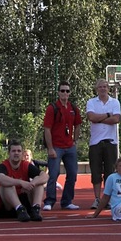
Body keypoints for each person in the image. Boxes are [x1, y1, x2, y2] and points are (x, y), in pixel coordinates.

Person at [42, 82, 82, 212]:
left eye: (67, 91)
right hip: (56, 147)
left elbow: (78, 125)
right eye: (62, 91)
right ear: (58, 92)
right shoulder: (52, 108)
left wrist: (75, 140)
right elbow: (47, 129)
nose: (65, 93)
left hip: (70, 147)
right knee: (53, 174)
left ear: (70, 93)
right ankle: (49, 201)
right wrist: (50, 148)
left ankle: (67, 201)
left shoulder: (74, 108)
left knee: (72, 174)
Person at [85, 79, 121, 210]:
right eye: (100, 87)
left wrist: (99, 119)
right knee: (95, 172)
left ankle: (108, 199)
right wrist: (107, 115)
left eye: (105, 87)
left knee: (110, 172)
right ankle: (96, 198)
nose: (103, 89)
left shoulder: (115, 102)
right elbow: (91, 118)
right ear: (96, 89)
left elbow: (116, 119)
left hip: (111, 142)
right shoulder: (91, 102)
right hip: (95, 142)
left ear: (108, 88)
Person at [0, 141, 47, 223]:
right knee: (7, 183)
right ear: (9, 153)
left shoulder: (25, 165)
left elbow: (45, 176)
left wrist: (32, 184)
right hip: (6, 208)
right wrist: (21, 182)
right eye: (13, 151)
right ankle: (19, 208)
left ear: (22, 153)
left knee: (38, 180)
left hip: (24, 203)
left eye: (19, 151)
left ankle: (36, 209)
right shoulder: (4, 165)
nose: (16, 153)